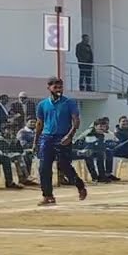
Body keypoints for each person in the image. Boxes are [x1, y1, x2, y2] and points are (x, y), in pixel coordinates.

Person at [33, 76, 87, 205]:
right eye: (55, 87)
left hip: (63, 137)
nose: (58, 89)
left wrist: (70, 136)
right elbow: (39, 123)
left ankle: (80, 186)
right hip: (46, 138)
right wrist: (35, 142)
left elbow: (76, 121)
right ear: (49, 88)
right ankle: (48, 196)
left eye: (60, 87)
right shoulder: (42, 104)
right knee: (44, 167)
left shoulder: (69, 102)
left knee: (64, 166)